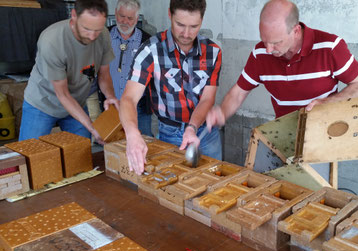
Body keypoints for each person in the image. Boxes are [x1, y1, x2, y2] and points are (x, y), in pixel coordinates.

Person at [206, 0, 358, 130]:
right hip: (283, 133)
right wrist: (222, 112)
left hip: (323, 134)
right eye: (265, 41)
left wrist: (328, 102)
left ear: (296, 30)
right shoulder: (260, 54)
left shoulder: (330, 46)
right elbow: (238, 93)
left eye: (276, 42)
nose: (269, 49)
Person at [120, 0, 222, 174]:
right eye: (180, 24)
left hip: (206, 133)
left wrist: (192, 127)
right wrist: (132, 134)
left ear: (202, 20)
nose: (186, 33)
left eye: (193, 26)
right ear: (170, 14)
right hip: (169, 133)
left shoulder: (213, 52)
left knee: (216, 182)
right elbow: (129, 98)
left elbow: (207, 99)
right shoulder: (150, 50)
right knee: (173, 190)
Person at [19, 0, 119, 144]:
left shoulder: (103, 35)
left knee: (81, 154)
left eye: (97, 30)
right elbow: (63, 94)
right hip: (43, 103)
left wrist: (110, 96)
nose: (92, 36)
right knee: (28, 154)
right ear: (74, 15)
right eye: (87, 29)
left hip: (76, 102)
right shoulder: (52, 41)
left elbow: (104, 75)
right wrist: (92, 127)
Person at [93, 0, 153, 136]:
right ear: (115, 13)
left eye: (130, 18)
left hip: (139, 107)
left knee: (144, 142)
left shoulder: (147, 41)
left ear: (137, 19)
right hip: (110, 104)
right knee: (112, 145)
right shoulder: (102, 36)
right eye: (122, 16)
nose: (125, 21)